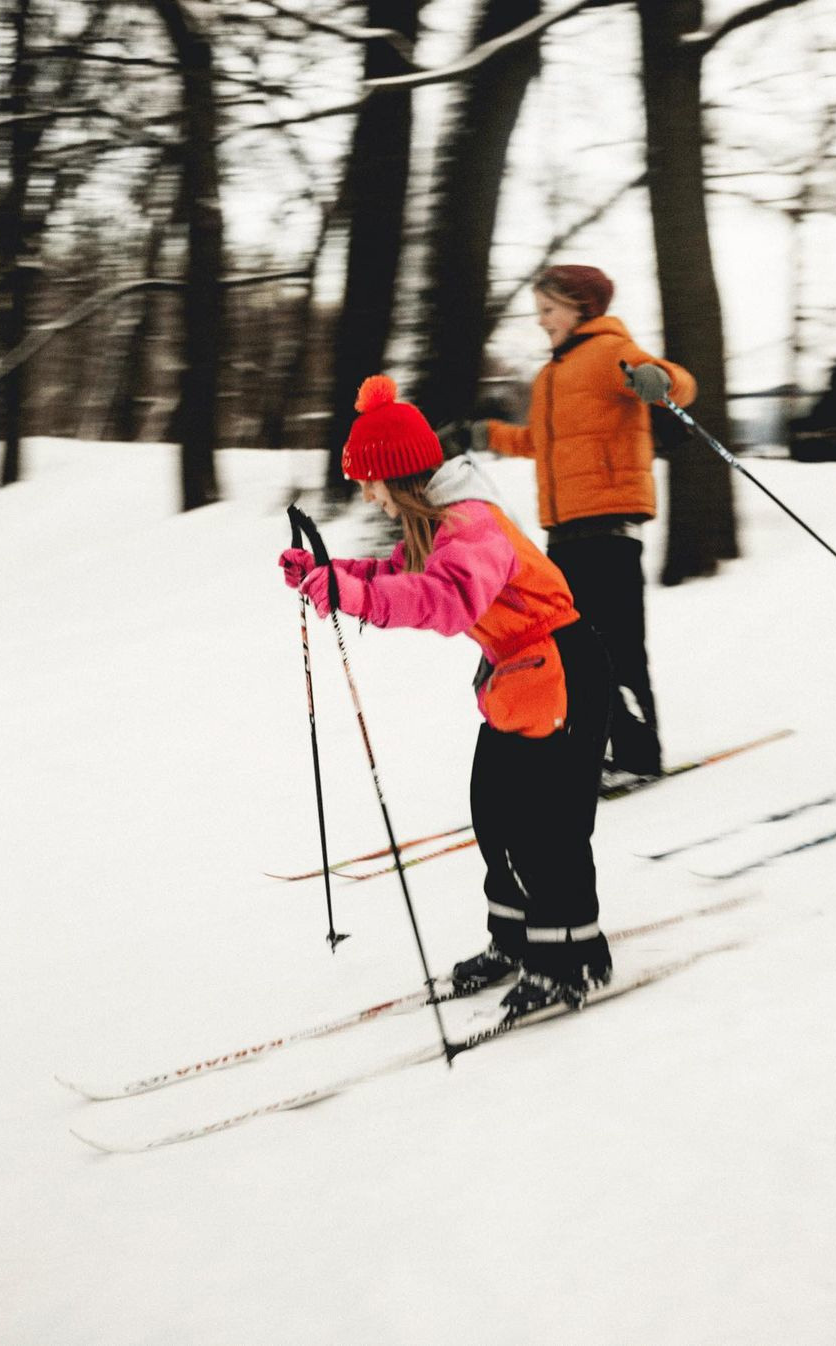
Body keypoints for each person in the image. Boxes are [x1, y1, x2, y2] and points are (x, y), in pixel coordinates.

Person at [279, 374, 613, 1020]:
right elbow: (400, 575)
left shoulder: (472, 523)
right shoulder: (437, 522)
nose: (367, 495)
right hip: (518, 676)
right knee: (495, 813)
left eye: (369, 482)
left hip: (562, 670)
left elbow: (446, 599)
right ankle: (515, 942)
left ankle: (569, 958)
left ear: (397, 475)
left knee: (547, 828)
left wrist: (354, 596)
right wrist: (330, 574)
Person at [456, 264, 697, 781]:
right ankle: (606, 744)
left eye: (549, 310)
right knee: (575, 646)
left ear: (580, 308)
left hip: (610, 525)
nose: (541, 320)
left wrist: (662, 381)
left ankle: (638, 753)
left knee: (617, 643)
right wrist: (485, 434)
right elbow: (539, 444)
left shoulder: (611, 351)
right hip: (564, 532)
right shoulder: (551, 376)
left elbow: (678, 382)